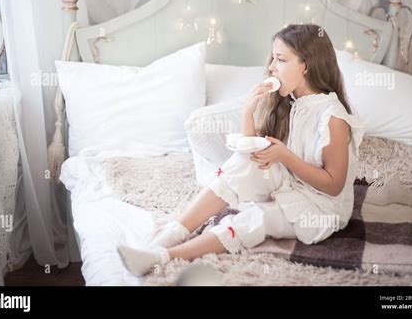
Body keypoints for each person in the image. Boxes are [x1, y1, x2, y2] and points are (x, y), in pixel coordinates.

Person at [118, 24, 365, 276]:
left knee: (254, 218)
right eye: (273, 59)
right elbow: (251, 156)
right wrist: (248, 110)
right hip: (291, 183)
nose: (271, 67)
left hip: (320, 208)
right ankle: (171, 234)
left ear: (306, 65)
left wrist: (285, 156)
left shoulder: (333, 118)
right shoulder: (290, 103)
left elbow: (333, 185)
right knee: (240, 164)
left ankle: (162, 255)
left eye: (280, 60)